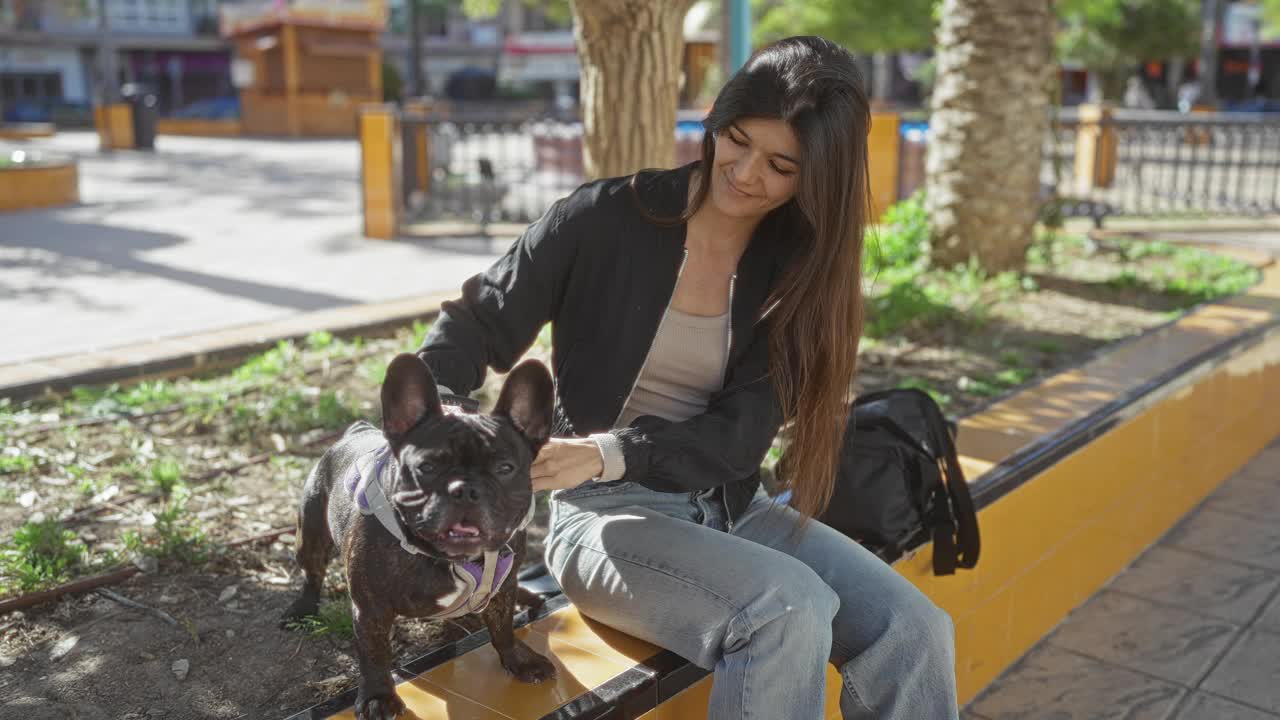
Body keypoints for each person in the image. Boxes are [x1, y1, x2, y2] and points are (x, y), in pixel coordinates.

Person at [418, 36, 959, 720]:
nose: (745, 172)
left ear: (818, 178)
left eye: (781, 165)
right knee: (785, 610)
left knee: (913, 631)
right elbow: (476, 323)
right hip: (606, 517)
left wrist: (613, 449)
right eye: (735, 140)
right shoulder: (603, 219)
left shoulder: (799, 275)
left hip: (736, 508)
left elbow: (738, 438)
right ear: (714, 120)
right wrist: (433, 424)